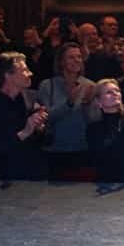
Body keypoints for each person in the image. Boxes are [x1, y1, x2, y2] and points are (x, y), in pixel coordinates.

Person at [0, 52, 49, 185]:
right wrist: (24, 133)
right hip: (2, 180)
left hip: (34, 178)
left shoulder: (31, 98)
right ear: (7, 75)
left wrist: (40, 128)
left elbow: (46, 141)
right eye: (25, 70)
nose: (31, 73)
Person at [35, 43, 96, 176]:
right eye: (71, 57)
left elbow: (93, 121)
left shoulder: (90, 85)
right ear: (61, 62)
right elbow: (46, 117)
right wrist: (69, 103)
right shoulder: (47, 85)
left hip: (82, 150)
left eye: (79, 57)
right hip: (54, 151)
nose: (76, 60)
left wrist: (86, 104)